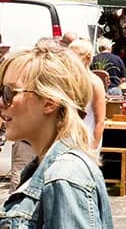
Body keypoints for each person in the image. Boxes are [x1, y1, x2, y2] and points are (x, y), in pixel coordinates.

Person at [0, 41, 115, 228]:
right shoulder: (45, 169)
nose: (2, 102)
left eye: (9, 92)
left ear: (49, 103)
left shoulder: (64, 176)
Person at [66, 39, 106, 153]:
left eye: (74, 56)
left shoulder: (95, 82)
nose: (69, 60)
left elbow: (100, 121)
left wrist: (93, 148)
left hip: (87, 142)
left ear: (87, 58)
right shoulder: (67, 80)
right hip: (67, 141)